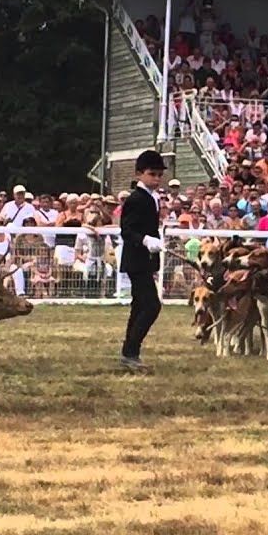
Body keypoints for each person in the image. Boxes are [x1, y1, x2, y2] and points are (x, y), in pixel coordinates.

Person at [118, 149, 166, 371]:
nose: (156, 179)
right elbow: (126, 230)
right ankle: (131, 351)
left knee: (139, 306)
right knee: (151, 306)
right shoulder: (136, 199)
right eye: (152, 174)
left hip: (145, 260)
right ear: (139, 174)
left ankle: (129, 352)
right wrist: (146, 240)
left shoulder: (152, 198)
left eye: (159, 174)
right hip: (137, 259)